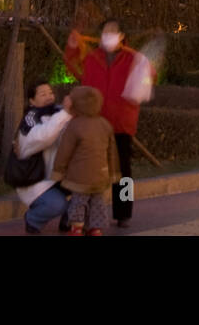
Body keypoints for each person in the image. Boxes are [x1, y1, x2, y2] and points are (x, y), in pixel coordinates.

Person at [64, 17, 147, 229]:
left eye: (113, 31)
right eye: (105, 31)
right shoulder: (92, 57)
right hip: (94, 122)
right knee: (84, 168)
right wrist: (73, 47)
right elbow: (73, 68)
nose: (108, 35)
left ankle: (124, 212)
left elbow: (146, 80)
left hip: (121, 123)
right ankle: (76, 214)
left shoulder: (133, 59)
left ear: (122, 36)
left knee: (124, 172)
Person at [52, 85, 120, 236]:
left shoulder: (74, 125)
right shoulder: (105, 124)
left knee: (78, 201)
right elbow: (112, 152)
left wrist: (58, 171)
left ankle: (76, 228)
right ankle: (96, 228)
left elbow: (65, 151)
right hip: (101, 174)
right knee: (97, 201)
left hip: (80, 176)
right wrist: (114, 173)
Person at [14, 82, 73, 234]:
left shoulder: (59, 111)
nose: (49, 97)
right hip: (36, 179)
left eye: (50, 93)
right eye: (43, 94)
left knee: (88, 185)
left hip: (57, 174)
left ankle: (70, 220)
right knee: (57, 205)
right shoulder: (30, 119)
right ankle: (33, 218)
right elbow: (44, 137)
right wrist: (65, 113)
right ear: (32, 101)